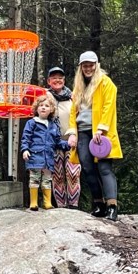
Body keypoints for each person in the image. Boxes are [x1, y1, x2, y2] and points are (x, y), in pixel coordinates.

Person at [67, 51, 122, 221]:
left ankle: (112, 206)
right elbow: (73, 112)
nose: (88, 68)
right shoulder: (78, 86)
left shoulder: (106, 83)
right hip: (83, 131)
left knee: (104, 168)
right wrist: (72, 133)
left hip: (100, 133)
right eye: (85, 65)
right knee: (88, 168)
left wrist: (101, 129)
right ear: (81, 67)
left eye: (91, 65)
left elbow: (108, 107)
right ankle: (99, 204)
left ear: (96, 65)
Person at [21, 93, 69, 211]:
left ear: (51, 109)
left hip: (48, 158)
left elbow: (57, 141)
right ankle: (33, 202)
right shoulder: (32, 122)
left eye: (47, 106)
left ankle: (47, 203)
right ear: (36, 108)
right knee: (34, 178)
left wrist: (68, 145)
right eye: (41, 105)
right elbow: (25, 138)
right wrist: (25, 149)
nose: (43, 107)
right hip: (35, 157)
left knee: (47, 180)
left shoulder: (53, 125)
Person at [45, 66, 79, 209]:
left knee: (73, 173)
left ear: (64, 80)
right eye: (54, 78)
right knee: (57, 175)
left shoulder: (73, 97)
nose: (57, 80)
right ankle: (61, 206)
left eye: (60, 78)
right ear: (48, 81)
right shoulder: (45, 96)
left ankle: (73, 204)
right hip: (53, 143)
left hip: (71, 140)